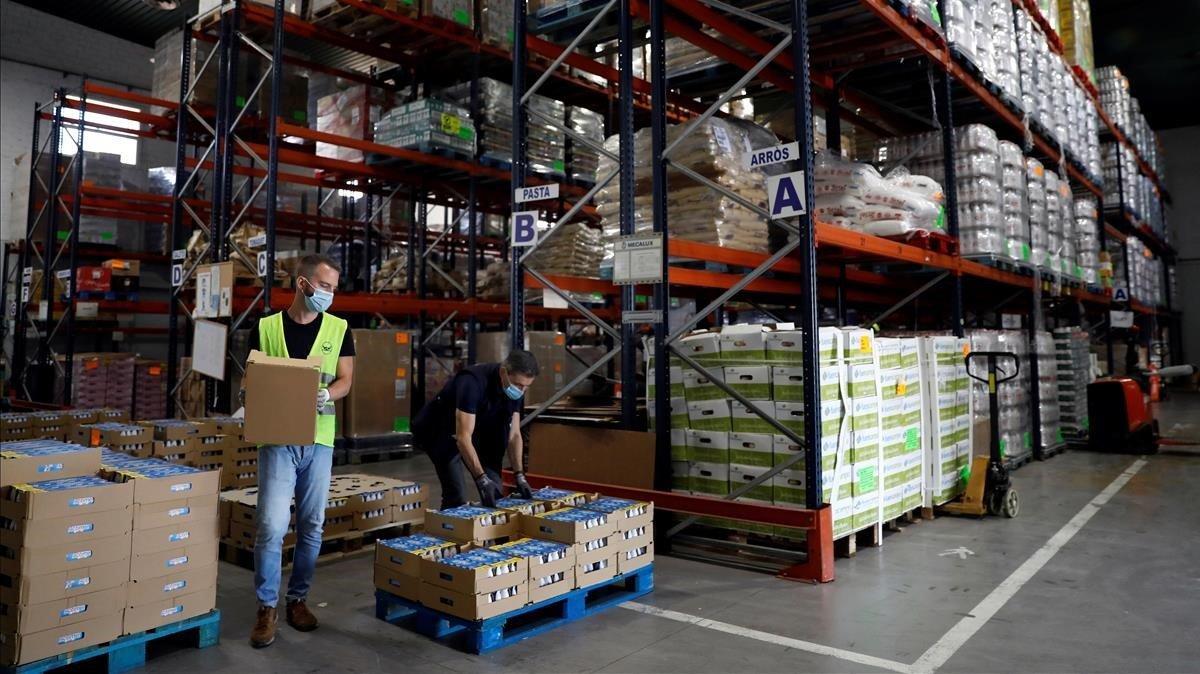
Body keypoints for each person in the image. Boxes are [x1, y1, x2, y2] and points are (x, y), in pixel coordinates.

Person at [245, 254, 354, 649]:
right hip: (277, 439)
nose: (329, 295)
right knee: (272, 525)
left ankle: (298, 599)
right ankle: (266, 607)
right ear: (303, 284)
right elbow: (252, 376)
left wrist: (327, 393)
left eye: (333, 289)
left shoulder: (340, 328)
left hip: (319, 439)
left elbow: (345, 380)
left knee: (312, 525)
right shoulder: (266, 327)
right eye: (324, 286)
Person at [413, 350, 539, 509]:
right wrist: (481, 479)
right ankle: (449, 528)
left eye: (527, 386)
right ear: (503, 372)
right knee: (456, 495)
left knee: (495, 493)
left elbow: (514, 435)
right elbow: (463, 438)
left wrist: (519, 475)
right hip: (441, 432)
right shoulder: (472, 382)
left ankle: (488, 531)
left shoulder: (514, 392)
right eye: (519, 385)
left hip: (477, 430)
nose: (521, 391)